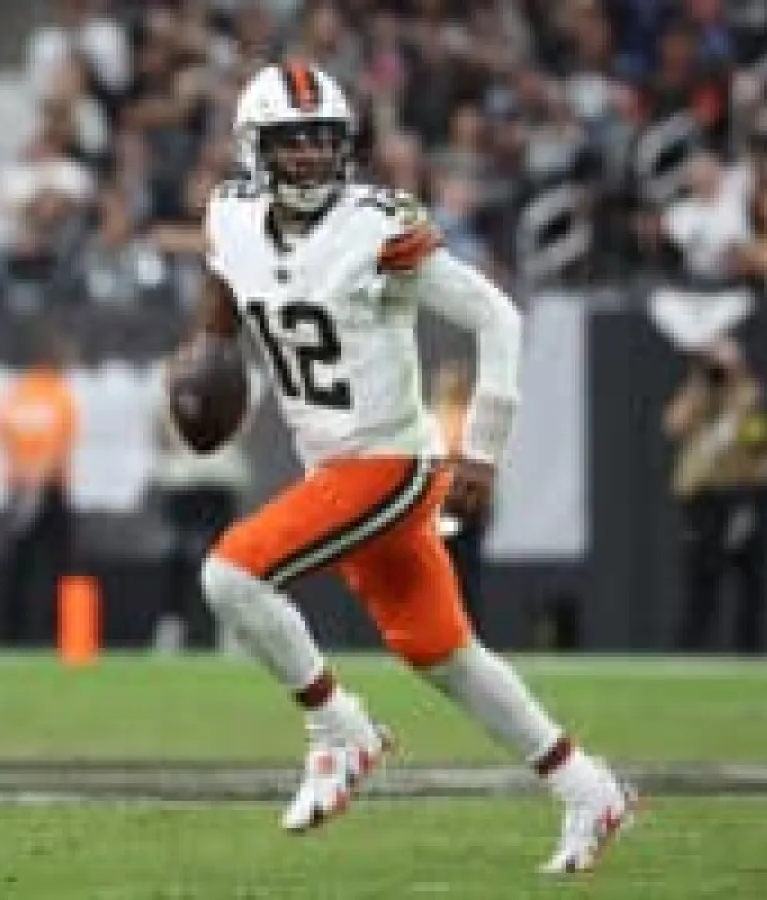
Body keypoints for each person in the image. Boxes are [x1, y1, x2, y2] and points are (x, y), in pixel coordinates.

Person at [173, 61, 632, 875]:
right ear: (256, 150)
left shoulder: (375, 227)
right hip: (333, 469)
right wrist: (206, 352)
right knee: (443, 654)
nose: (313, 156)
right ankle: (588, 789)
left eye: (325, 140)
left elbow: (497, 315)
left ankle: (337, 727)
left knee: (231, 576)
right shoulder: (234, 218)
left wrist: (482, 448)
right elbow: (223, 290)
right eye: (294, 142)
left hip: (388, 462)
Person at [663, 337, 767, 652]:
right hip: (703, 496)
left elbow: (759, 441)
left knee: (749, 576)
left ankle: (747, 649)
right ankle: (692, 647)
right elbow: (673, 425)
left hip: (740, 492)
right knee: (700, 574)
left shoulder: (751, 395)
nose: (722, 371)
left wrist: (737, 403)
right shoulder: (697, 393)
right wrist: (702, 387)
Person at [150, 390, 251, 654]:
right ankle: (170, 632)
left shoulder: (235, 375)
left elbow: (240, 424)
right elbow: (161, 426)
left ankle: (229, 632)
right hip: (182, 480)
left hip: (220, 478)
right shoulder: (169, 377)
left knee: (226, 558)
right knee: (178, 557)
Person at [0, 339, 78, 644]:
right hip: (49, 489)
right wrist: (39, 482)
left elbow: (1, 436)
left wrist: (25, 477)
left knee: (18, 566)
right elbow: (59, 445)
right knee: (60, 565)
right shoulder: (59, 396)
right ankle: (60, 633)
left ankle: (12, 633)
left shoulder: (15, 395)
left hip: (19, 487)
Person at [430, 359, 488, 629]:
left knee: (458, 573)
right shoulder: (446, 417)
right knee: (449, 572)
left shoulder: (460, 419)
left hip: (458, 506)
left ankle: (460, 628)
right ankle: (452, 626)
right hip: (452, 506)